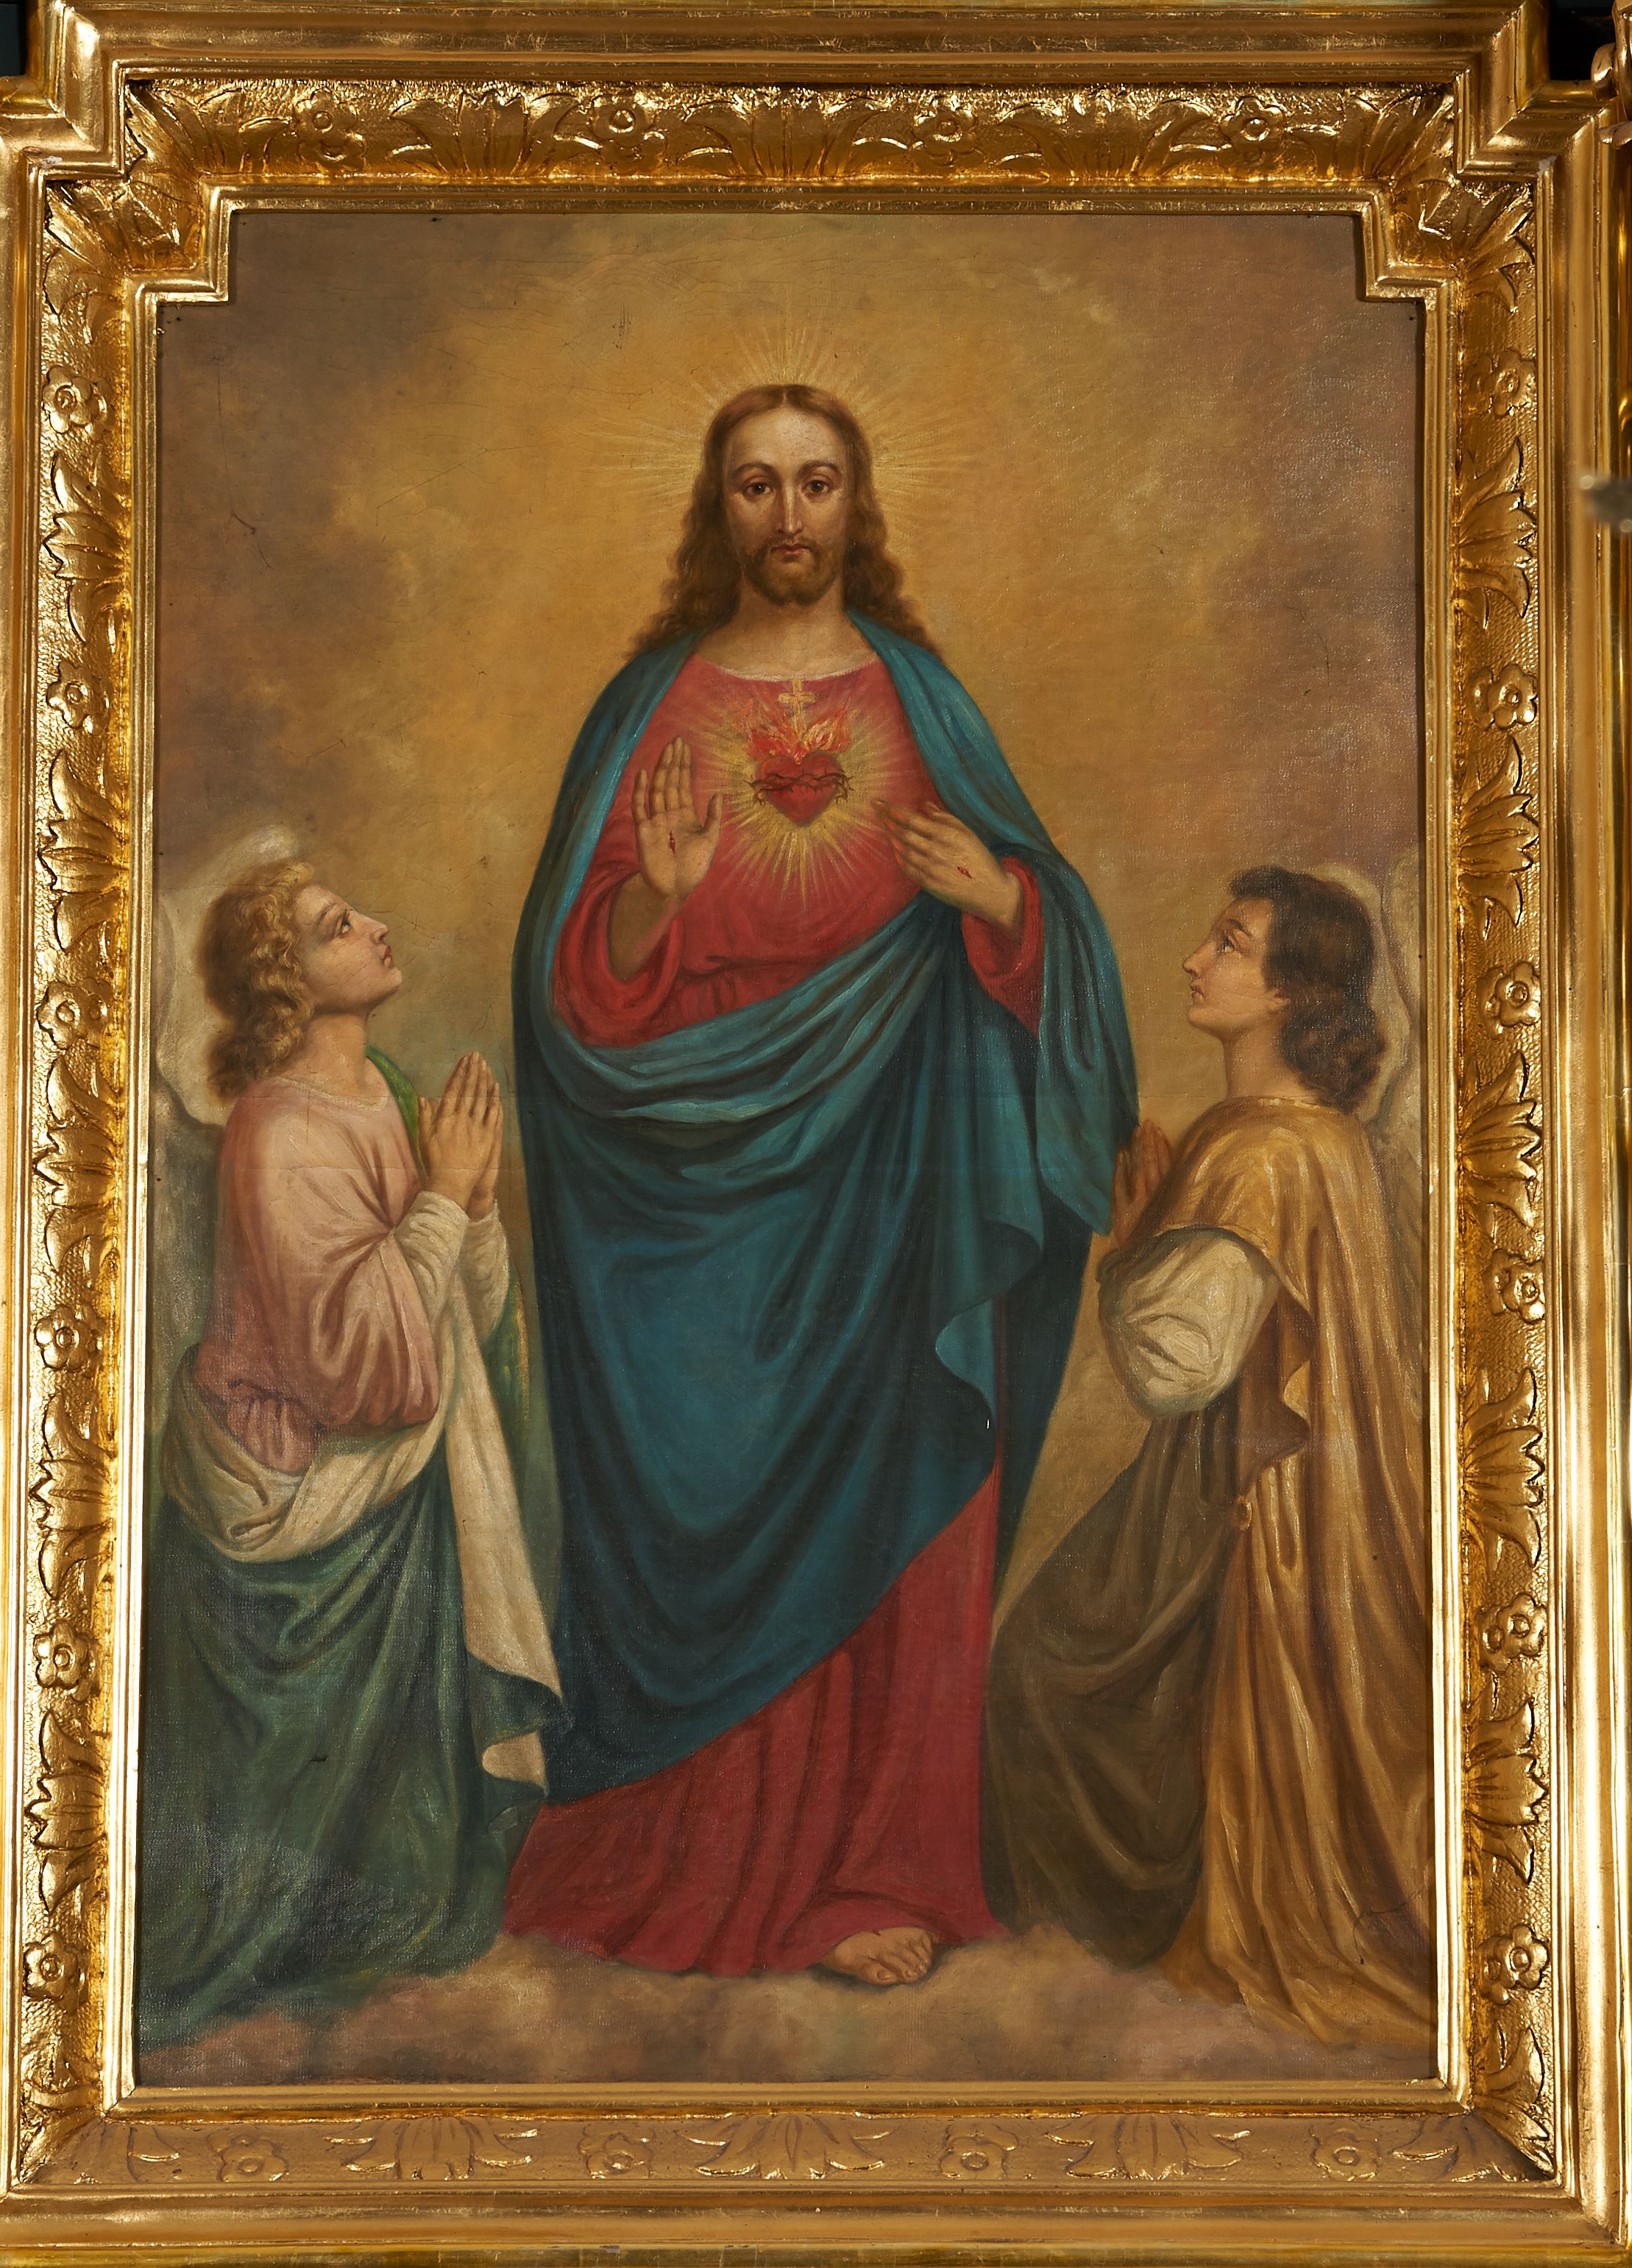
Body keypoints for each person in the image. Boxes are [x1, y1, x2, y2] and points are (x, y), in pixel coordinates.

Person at [505, 383, 1136, 1987]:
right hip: (698, 1198)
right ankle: (695, 1861)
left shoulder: (923, 698)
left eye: (815, 481)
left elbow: (1046, 934)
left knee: (907, 1503)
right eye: (755, 484)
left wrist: (1004, 900)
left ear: (858, 502)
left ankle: (875, 1871)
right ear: (714, 508)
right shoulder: (647, 704)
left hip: (901, 1175)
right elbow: (571, 1001)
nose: (787, 515)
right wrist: (651, 904)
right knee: (707, 1511)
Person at [984, 865, 1433, 2047]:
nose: (1196, 958)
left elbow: (1177, 1369)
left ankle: (1100, 1934)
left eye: (1228, 943)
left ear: (1287, 992)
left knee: (1039, 1662)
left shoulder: (1260, 1156)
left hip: (1241, 1497)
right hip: (1288, 1483)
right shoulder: (1316, 1138)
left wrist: (1128, 1252)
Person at [136, 860, 558, 2058]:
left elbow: (468, 1323)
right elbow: (357, 1374)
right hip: (291, 1504)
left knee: (416, 1894)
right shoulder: (274, 1132)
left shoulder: (393, 1090)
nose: (375, 926)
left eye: (358, 912)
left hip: (396, 1489)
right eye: (336, 927)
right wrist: (446, 1199)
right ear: (289, 981)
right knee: (269, 1911)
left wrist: (470, 1205)